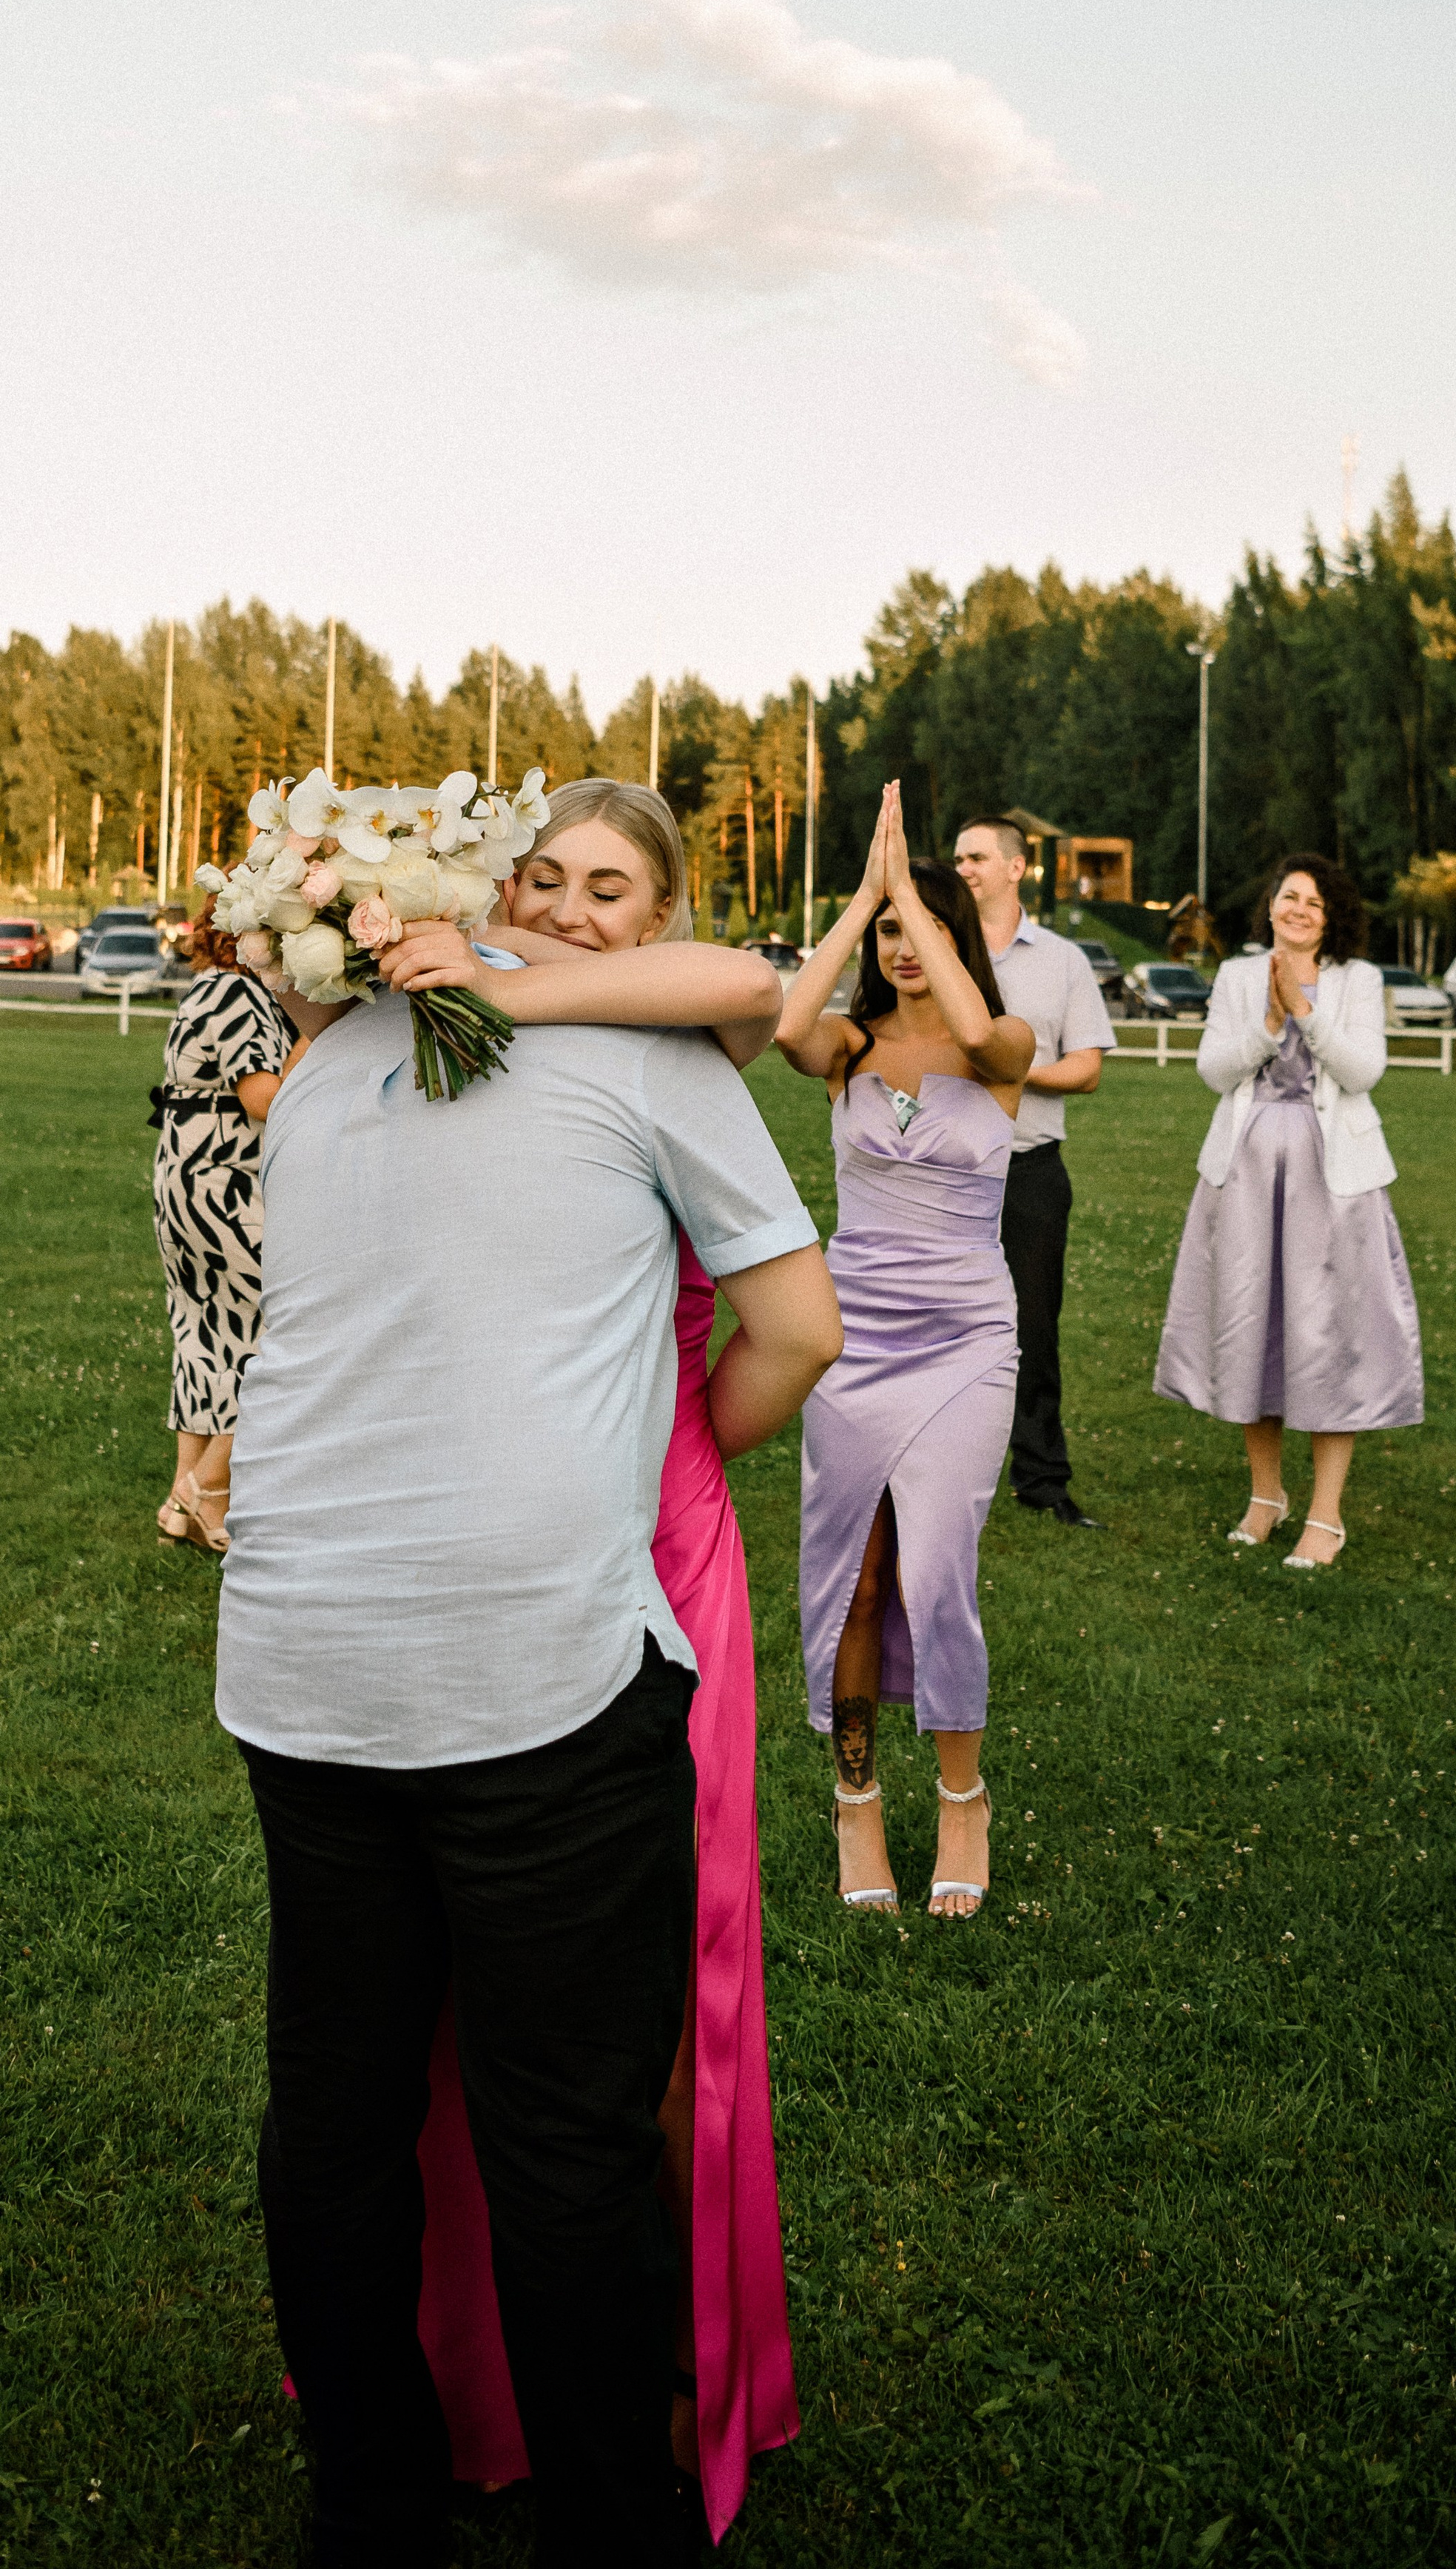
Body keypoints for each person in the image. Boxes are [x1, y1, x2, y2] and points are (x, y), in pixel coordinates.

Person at [219, 826, 840, 2568]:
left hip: (298, 1650)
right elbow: (799, 1327)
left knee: (336, 2118)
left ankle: (369, 2504)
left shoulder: (319, 1069)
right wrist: (635, 1465)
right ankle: (610, 2521)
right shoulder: (652, 1061)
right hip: (538, 1666)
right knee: (565, 2140)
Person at [363, 781, 806, 2542]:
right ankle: (469, 2376)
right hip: (462, 1551)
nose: (560, 905)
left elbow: (758, 986)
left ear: (661, 911)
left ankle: (675, 2377)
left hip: (653, 1551)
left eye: (607, 887)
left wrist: (680, 1441)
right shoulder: (446, 1042)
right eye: (538, 876)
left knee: (656, 1998)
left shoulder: (678, 1040)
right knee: (453, 1980)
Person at [778, 784, 1034, 1917]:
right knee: (857, 1575)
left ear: (957, 934)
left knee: (936, 1570)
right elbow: (787, 1025)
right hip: (854, 1340)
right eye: (888, 930)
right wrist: (863, 896)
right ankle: (857, 1803)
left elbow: (976, 1030)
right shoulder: (848, 1047)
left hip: (968, 1340)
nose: (899, 945)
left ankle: (963, 1795)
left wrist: (919, 906)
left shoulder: (1003, 1049)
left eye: (921, 925)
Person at [1153, 853, 1421, 1568]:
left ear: (1331, 918)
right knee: (1256, 1327)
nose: (1300, 909)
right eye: (1289, 897)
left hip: (1334, 1180)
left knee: (1330, 1333)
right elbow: (1213, 1071)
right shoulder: (1238, 975)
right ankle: (1266, 1495)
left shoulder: (1358, 980)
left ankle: (1326, 1514)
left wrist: (1305, 1012)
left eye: (1315, 902)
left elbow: (1364, 1072)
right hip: (1245, 1175)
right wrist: (1267, 1024)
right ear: (1270, 905)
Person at [952, 814, 1116, 1526]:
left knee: (1032, 1330)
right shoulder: (936, 952)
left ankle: (1042, 1479)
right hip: (945, 1172)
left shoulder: (1063, 960)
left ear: (1017, 868)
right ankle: (940, 1472)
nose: (964, 869)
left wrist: (1012, 1072)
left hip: (1030, 1172)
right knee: (941, 1323)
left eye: (977, 857)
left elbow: (1087, 1068)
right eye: (959, 858)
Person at [151, 903, 305, 1553]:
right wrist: (319, 1036)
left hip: (186, 1178)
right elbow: (262, 1097)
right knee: (292, 1324)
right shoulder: (239, 994)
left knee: (206, 1336)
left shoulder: (207, 988)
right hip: (227, 1185)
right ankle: (211, 1485)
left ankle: (182, 1506)